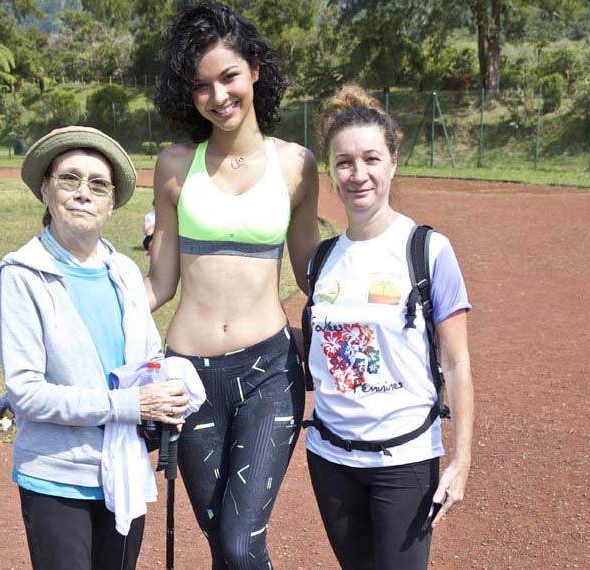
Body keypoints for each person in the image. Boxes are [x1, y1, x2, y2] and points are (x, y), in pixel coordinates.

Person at [146, 2, 320, 568]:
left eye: (229, 77)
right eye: (201, 86)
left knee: (243, 543)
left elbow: (312, 274)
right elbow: (160, 285)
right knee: (224, 545)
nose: (218, 96)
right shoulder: (174, 166)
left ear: (255, 71)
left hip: (269, 372)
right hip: (186, 380)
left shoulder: (296, 165)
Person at [0, 126, 190, 570]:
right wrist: (131, 404)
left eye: (98, 184)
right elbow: (26, 392)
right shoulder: (22, 274)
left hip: (123, 471)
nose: (84, 193)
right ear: (46, 190)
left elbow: (144, 366)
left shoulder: (123, 272)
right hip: (56, 477)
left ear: (111, 203)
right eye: (70, 179)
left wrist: (169, 391)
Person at [304, 85, 474, 570]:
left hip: (404, 460)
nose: (358, 175)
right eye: (344, 163)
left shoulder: (427, 249)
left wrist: (460, 462)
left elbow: (457, 363)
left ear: (393, 162)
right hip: (331, 460)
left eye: (371, 159)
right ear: (332, 173)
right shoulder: (322, 261)